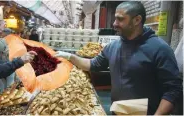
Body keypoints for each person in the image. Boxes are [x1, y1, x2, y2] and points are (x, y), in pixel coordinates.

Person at [55, 1, 183, 115]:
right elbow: (92, 64)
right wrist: (70, 56)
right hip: (119, 112)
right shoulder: (113, 46)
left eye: (120, 19)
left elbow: (173, 89)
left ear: (137, 20)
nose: (114, 23)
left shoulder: (160, 49)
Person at [0, 28, 15, 93]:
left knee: (1, 83)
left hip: (1, 64)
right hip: (13, 64)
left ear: (4, 33)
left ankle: (2, 97)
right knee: (10, 82)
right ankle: (9, 97)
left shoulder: (0, 41)